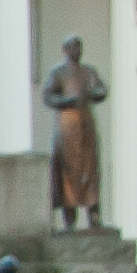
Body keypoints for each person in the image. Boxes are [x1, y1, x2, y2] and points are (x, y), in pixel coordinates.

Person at [43, 35, 108, 227]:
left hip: (86, 126)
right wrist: (67, 101)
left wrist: (91, 95)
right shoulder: (58, 73)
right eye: (73, 47)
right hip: (68, 128)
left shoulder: (88, 72)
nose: (77, 51)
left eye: (79, 47)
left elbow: (101, 90)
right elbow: (48, 96)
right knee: (66, 171)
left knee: (90, 169)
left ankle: (93, 214)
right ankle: (69, 217)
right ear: (65, 50)